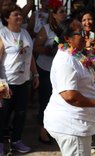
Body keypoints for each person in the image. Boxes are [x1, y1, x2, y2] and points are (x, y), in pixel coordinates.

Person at [43, 18, 95, 156]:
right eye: (80, 32)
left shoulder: (76, 55)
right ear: (68, 39)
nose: (86, 34)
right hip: (71, 125)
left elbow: (84, 85)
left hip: (77, 122)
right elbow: (69, 95)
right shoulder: (66, 60)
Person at [0, 4, 39, 155]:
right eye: (15, 14)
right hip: (6, 82)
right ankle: (1, 143)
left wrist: (35, 74)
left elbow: (30, 56)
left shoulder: (25, 33)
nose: (19, 17)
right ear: (6, 18)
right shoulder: (3, 34)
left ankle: (16, 141)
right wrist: (0, 84)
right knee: (3, 115)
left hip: (24, 81)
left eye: (20, 14)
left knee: (21, 113)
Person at [33, 0, 67, 144]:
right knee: (46, 100)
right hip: (46, 69)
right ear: (53, 15)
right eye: (61, 12)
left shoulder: (66, 29)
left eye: (65, 11)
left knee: (61, 100)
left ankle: (56, 130)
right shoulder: (46, 29)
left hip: (62, 70)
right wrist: (50, 50)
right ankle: (43, 132)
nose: (65, 14)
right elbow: (36, 47)